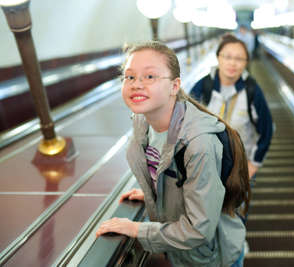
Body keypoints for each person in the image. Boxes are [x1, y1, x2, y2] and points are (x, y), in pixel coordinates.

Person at [95, 41, 250, 267]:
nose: (136, 84)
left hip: (212, 257)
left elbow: (198, 229)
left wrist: (137, 228)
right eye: (129, 77)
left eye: (149, 77)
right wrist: (159, 188)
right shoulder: (143, 122)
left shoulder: (198, 144)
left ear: (174, 86)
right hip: (183, 253)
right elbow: (169, 170)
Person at [190, 34, 273, 182]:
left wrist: (254, 164)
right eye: (227, 57)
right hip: (205, 168)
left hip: (239, 168)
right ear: (218, 58)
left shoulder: (252, 91)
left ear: (246, 62)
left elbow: (267, 129)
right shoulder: (202, 87)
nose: (232, 63)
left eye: (239, 58)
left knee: (237, 205)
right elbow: (184, 126)